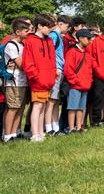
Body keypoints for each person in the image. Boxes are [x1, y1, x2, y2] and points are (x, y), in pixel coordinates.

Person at [22, 14, 57, 142]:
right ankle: (34, 134)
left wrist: (52, 75)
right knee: (37, 106)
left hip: (48, 80)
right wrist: (35, 77)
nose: (50, 29)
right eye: (48, 27)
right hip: (38, 80)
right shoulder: (30, 41)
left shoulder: (49, 41)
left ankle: (41, 132)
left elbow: (53, 60)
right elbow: (28, 62)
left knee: (42, 106)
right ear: (39, 26)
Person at [2, 19, 30, 142]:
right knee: (12, 108)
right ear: (18, 32)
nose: (29, 33)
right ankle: (7, 134)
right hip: (13, 82)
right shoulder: (11, 45)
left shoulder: (22, 45)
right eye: (26, 30)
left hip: (22, 81)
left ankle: (14, 133)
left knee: (19, 108)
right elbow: (21, 65)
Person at [45, 15, 71, 136]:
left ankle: (56, 127)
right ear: (60, 24)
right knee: (51, 101)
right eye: (67, 26)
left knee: (55, 101)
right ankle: (48, 127)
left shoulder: (58, 36)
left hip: (59, 70)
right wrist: (54, 68)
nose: (67, 28)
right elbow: (49, 53)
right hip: (55, 71)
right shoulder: (53, 35)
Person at [64, 29, 94, 133]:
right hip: (75, 86)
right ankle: (71, 128)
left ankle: (79, 126)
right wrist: (76, 81)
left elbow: (90, 69)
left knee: (81, 108)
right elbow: (68, 69)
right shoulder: (72, 52)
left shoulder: (87, 53)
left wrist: (89, 81)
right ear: (80, 39)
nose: (90, 40)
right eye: (88, 38)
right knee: (73, 107)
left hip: (85, 85)